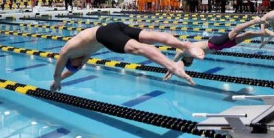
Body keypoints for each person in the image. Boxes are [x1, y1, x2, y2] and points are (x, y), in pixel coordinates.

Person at [50, 22, 205, 91]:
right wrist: (62, 79)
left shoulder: (67, 51)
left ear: (70, 61)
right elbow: (71, 71)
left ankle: (173, 66)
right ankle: (187, 46)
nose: (80, 65)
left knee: (140, 48)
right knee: (151, 36)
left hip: (104, 35)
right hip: (114, 26)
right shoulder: (84, 56)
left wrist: (56, 81)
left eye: (76, 65)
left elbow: (59, 68)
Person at [163, 17, 274, 80]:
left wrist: (170, 70)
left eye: (190, 62)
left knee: (234, 32)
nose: (191, 61)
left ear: (186, 60)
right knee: (246, 36)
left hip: (214, 43)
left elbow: (174, 60)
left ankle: (253, 21)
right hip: (220, 47)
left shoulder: (184, 52)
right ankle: (263, 32)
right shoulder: (191, 55)